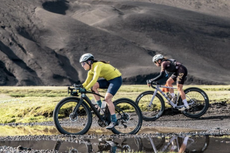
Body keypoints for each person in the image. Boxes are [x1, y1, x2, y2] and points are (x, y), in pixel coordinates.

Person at [79, 53, 122, 129]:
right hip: (108, 80)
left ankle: (114, 120)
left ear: (89, 62)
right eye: (81, 64)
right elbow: (86, 82)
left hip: (116, 79)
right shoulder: (90, 71)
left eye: (83, 63)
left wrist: (85, 89)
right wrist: (79, 87)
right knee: (93, 87)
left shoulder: (97, 66)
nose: (82, 65)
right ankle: (100, 107)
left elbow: (94, 79)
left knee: (107, 99)